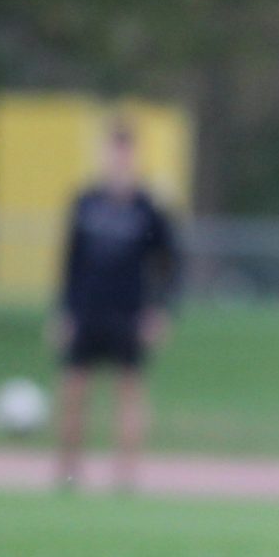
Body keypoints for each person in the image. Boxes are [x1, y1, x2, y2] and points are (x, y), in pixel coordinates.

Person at [51, 121, 180, 493]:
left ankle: (125, 477)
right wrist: (64, 311)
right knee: (74, 392)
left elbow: (169, 263)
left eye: (124, 151)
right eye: (112, 151)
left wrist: (160, 310)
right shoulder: (85, 202)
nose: (118, 159)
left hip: (129, 313)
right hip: (88, 311)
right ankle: (69, 473)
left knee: (129, 393)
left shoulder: (148, 207)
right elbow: (70, 263)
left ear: (134, 156)